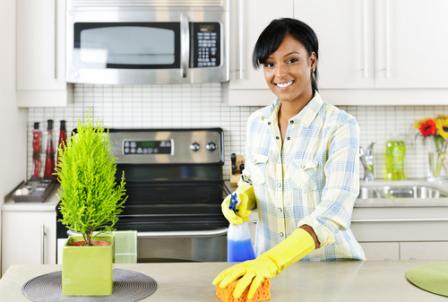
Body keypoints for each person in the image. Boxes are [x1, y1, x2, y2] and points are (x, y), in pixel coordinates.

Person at [213, 18, 365, 299]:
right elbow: (251, 181)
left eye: (291, 60)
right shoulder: (256, 123)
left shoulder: (340, 125)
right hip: (268, 276)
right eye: (269, 64)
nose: (279, 73)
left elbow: (335, 210)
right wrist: (245, 199)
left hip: (330, 271)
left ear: (312, 61)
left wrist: (274, 259)